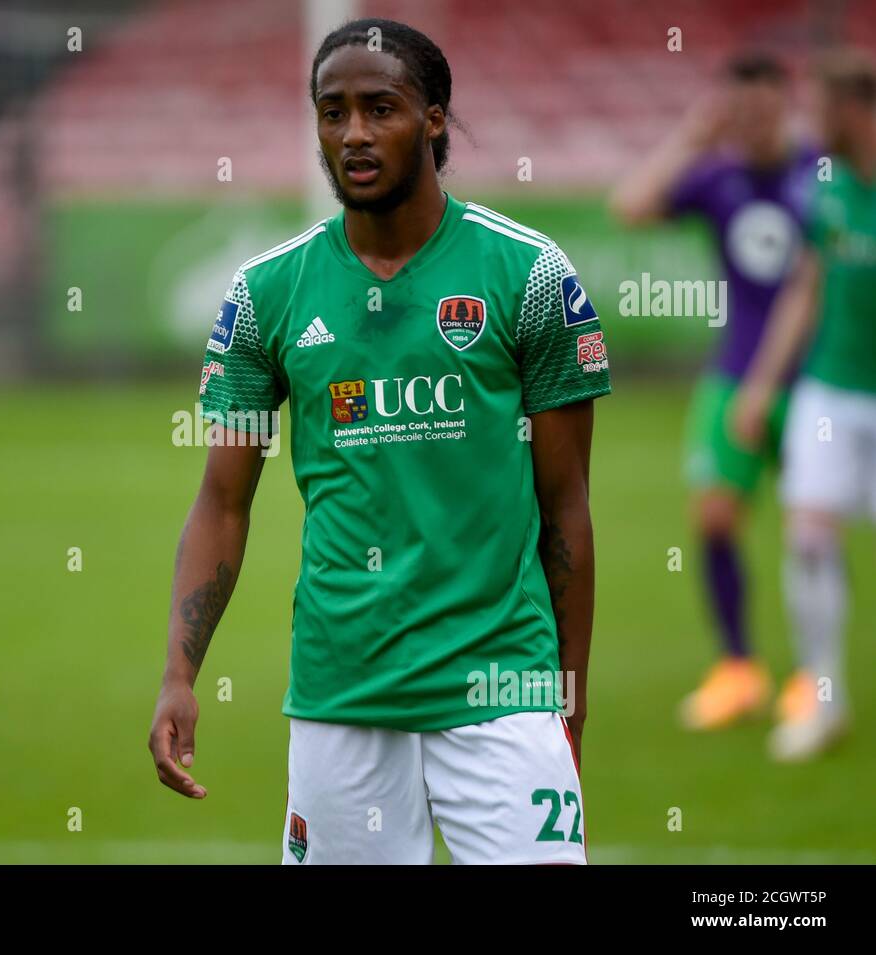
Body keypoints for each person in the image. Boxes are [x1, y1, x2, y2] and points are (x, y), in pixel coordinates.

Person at [148, 18, 611, 863]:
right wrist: (181, 673)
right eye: (332, 112)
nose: (353, 134)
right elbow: (222, 502)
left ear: (434, 118)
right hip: (341, 694)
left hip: (503, 690)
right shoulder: (265, 295)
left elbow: (566, 508)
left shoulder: (531, 274)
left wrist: (567, 700)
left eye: (380, 108)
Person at [610, 52, 816, 732]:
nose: (751, 125)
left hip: (814, 381)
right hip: (734, 372)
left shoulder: (820, 171)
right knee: (716, 518)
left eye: (762, 110)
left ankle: (815, 678)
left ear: (785, 105)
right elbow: (630, 207)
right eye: (739, 112)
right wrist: (693, 136)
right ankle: (737, 668)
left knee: (810, 529)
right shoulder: (717, 173)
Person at [733, 49, 876, 762]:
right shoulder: (828, 191)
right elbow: (805, 286)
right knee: (809, 535)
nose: (813, 124)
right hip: (829, 389)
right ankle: (824, 698)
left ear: (856, 110)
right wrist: (761, 384)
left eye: (823, 108)